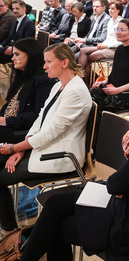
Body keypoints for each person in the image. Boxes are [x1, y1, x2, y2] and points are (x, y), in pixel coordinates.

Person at [18, 75, 129, 261]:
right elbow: (122, 182)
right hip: (127, 204)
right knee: (55, 204)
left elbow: (116, 185)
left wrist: (116, 182)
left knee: (56, 227)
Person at [0, 43, 92, 235]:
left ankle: (11, 231)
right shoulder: (59, 84)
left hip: (60, 156)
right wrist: (21, 148)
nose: (44, 66)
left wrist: (14, 148)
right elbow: (40, 119)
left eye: (49, 62)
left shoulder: (75, 91)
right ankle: (11, 229)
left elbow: (50, 132)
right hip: (44, 146)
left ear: (64, 62)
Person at [90, 18, 129, 114]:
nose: (118, 32)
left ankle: (101, 126)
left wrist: (118, 90)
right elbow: (114, 74)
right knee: (91, 94)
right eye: (117, 29)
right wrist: (103, 81)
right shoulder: (119, 49)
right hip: (115, 89)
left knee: (103, 103)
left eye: (122, 30)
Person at [0, 38, 54, 142]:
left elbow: (38, 116)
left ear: (30, 55)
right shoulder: (23, 76)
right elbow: (8, 105)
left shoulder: (43, 81)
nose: (12, 58)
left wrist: (7, 121)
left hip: (26, 132)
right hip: (13, 125)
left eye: (17, 54)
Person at [79, 0, 123, 85]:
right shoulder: (110, 21)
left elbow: (120, 41)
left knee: (87, 57)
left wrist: (106, 45)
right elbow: (108, 38)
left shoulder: (121, 22)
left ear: (119, 10)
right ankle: (85, 81)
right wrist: (103, 44)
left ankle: (84, 81)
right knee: (83, 51)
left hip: (115, 49)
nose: (110, 10)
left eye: (113, 9)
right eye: (109, 8)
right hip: (107, 46)